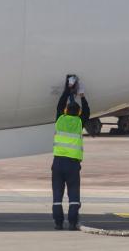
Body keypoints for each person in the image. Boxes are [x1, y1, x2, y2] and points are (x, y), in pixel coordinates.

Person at [52, 75, 90, 231]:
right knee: (73, 195)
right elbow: (87, 111)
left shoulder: (60, 120)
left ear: (66, 111)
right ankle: (73, 222)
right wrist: (82, 95)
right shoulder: (80, 122)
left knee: (57, 196)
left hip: (58, 163)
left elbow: (60, 105)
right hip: (73, 164)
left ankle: (58, 223)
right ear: (78, 112)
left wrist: (68, 89)